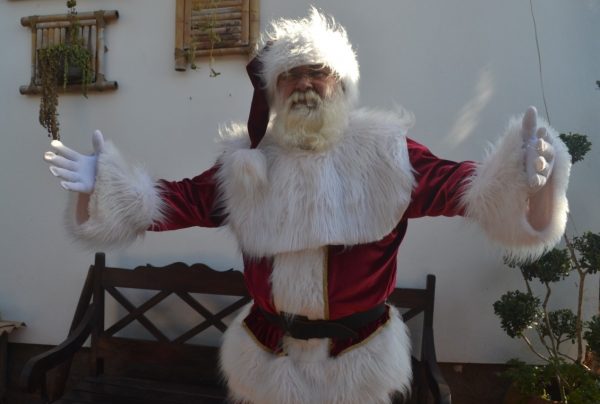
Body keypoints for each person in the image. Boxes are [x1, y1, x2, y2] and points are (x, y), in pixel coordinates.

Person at [43, 8, 571, 404]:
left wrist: (528, 178)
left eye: (315, 72)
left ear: (337, 82)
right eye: (289, 76)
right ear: (273, 92)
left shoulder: (387, 153)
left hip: (359, 363)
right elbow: (174, 201)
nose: (303, 84)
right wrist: (103, 185)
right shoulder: (249, 164)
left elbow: (466, 189)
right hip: (269, 361)